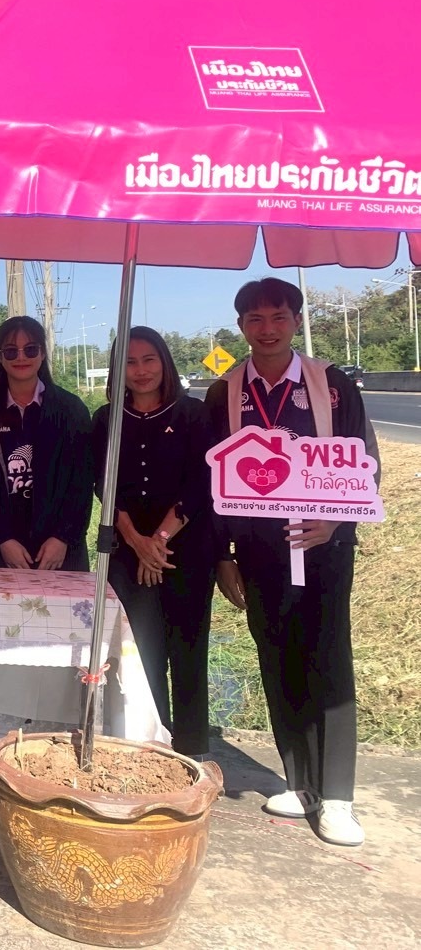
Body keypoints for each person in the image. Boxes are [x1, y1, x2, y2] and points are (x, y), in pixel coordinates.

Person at [206, 277, 377, 847]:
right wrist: (224, 555)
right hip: (258, 552)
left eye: (279, 317)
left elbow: (365, 462)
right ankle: (300, 782)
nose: (268, 329)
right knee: (276, 657)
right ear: (241, 327)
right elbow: (213, 480)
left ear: (296, 321)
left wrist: (335, 522)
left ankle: (338, 797)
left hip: (323, 546)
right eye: (255, 320)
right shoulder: (225, 392)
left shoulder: (331, 385)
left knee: (328, 659)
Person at [92, 327, 216, 758]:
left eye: (149, 360)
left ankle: (193, 749)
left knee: (188, 648)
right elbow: (104, 485)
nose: (140, 370)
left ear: (164, 362)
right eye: (129, 362)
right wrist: (136, 541)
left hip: (186, 551)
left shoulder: (194, 415)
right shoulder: (106, 420)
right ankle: (151, 744)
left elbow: (201, 483)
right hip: (128, 554)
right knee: (140, 651)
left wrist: (158, 541)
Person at [0, 316, 94, 571]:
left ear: (42, 353)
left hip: (60, 552)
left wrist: (63, 537)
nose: (21, 357)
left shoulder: (71, 409)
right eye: (11, 351)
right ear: (0, 357)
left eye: (30, 349)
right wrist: (1, 538)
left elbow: (81, 481)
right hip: (1, 553)